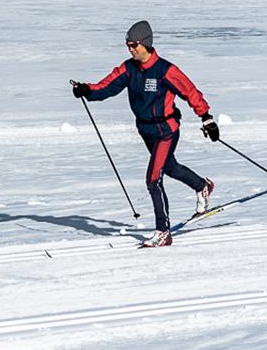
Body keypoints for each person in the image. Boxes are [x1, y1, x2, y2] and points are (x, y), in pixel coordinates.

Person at [72, 19, 221, 247]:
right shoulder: (129, 69)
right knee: (169, 167)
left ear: (146, 44)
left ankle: (163, 231)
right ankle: (202, 186)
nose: (131, 49)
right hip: (146, 131)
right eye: (128, 45)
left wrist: (206, 118)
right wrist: (87, 90)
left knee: (153, 179)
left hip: (167, 131)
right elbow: (107, 86)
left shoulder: (165, 70)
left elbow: (190, 92)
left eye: (134, 45)